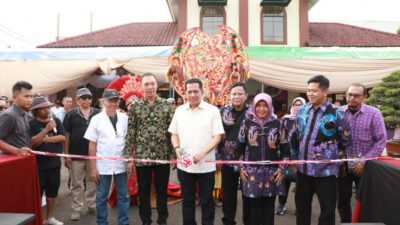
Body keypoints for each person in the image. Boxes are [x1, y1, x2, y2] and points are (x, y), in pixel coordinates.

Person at [168, 78, 225, 225]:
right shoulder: (180, 111)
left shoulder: (212, 111)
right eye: (189, 92)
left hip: (206, 166)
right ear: (185, 93)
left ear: (202, 92)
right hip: (185, 166)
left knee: (206, 201)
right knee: (187, 201)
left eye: (196, 91)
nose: (192, 94)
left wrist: (202, 153)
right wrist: (177, 149)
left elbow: (217, 136)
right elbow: (173, 134)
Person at [295, 75, 350, 225]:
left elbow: (344, 139)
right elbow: (297, 135)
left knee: (327, 211)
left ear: (325, 92)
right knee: (302, 208)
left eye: (314, 91)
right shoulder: (303, 110)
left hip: (326, 172)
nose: (310, 94)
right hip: (303, 170)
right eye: (308, 91)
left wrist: (328, 153)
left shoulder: (337, 113)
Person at [125, 73, 174, 225]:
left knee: (162, 191)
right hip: (142, 157)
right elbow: (131, 132)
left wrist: (173, 154)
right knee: (144, 192)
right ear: (142, 87)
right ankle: (146, 221)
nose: (150, 87)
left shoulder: (166, 105)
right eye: (146, 84)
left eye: (152, 83)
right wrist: (128, 157)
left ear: (156, 85)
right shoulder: (135, 107)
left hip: (162, 156)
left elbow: (172, 131)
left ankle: (162, 220)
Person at [337, 83, 387, 223]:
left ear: (364, 97)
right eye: (350, 94)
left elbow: (381, 140)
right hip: (343, 165)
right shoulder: (338, 112)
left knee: (365, 201)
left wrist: (364, 161)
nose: (352, 98)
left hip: (366, 166)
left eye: (357, 95)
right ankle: (345, 222)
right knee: (342, 200)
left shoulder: (374, 113)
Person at [238, 93, 287, 225]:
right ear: (254, 106)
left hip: (271, 174)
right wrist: (241, 168)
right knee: (253, 210)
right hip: (251, 173)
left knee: (268, 209)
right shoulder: (246, 123)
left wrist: (282, 169)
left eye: (265, 106)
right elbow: (240, 148)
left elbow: (285, 149)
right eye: (258, 105)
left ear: (270, 106)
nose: (261, 109)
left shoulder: (278, 123)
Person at [84, 89, 130, 225]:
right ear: (103, 102)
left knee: (123, 196)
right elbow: (92, 145)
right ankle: (102, 222)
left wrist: (129, 161)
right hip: (102, 165)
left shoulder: (124, 118)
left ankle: (123, 222)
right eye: (110, 100)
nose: (113, 103)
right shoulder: (96, 119)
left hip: (121, 164)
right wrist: (93, 168)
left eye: (116, 100)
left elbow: (128, 141)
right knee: (101, 196)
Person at [63, 87, 100, 221]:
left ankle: (92, 204)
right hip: (76, 155)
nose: (86, 100)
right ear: (77, 100)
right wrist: (66, 155)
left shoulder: (98, 113)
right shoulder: (70, 114)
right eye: (83, 98)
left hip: (93, 155)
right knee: (76, 184)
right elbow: (66, 135)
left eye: (89, 97)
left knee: (93, 182)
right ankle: (76, 209)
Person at [30, 96, 66, 225]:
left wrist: (45, 139)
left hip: (54, 164)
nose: (47, 109)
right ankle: (38, 219)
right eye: (44, 108)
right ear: (36, 110)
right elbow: (32, 143)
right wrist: (46, 130)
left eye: (48, 107)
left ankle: (50, 218)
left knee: (52, 192)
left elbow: (62, 137)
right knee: (37, 194)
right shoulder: (31, 123)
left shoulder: (55, 120)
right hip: (38, 166)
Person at [218, 82, 248, 225]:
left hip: (246, 161)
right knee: (228, 195)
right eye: (234, 94)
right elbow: (216, 134)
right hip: (227, 160)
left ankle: (248, 221)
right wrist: (217, 156)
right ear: (230, 96)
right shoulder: (223, 112)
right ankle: (228, 221)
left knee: (248, 194)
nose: (236, 96)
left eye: (240, 94)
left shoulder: (252, 113)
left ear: (246, 96)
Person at [276, 97, 306, 215]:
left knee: (301, 186)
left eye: (300, 104)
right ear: (291, 106)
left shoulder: (307, 119)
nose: (297, 106)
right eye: (295, 104)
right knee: (284, 182)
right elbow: (279, 137)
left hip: (302, 157)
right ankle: (281, 205)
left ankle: (299, 208)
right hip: (286, 156)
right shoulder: (284, 119)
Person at [0, 81, 33, 156]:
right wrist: (17, 151)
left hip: (25, 158)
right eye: (26, 96)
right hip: (12, 160)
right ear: (14, 98)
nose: (30, 100)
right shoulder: (9, 115)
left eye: (31, 96)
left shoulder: (27, 114)